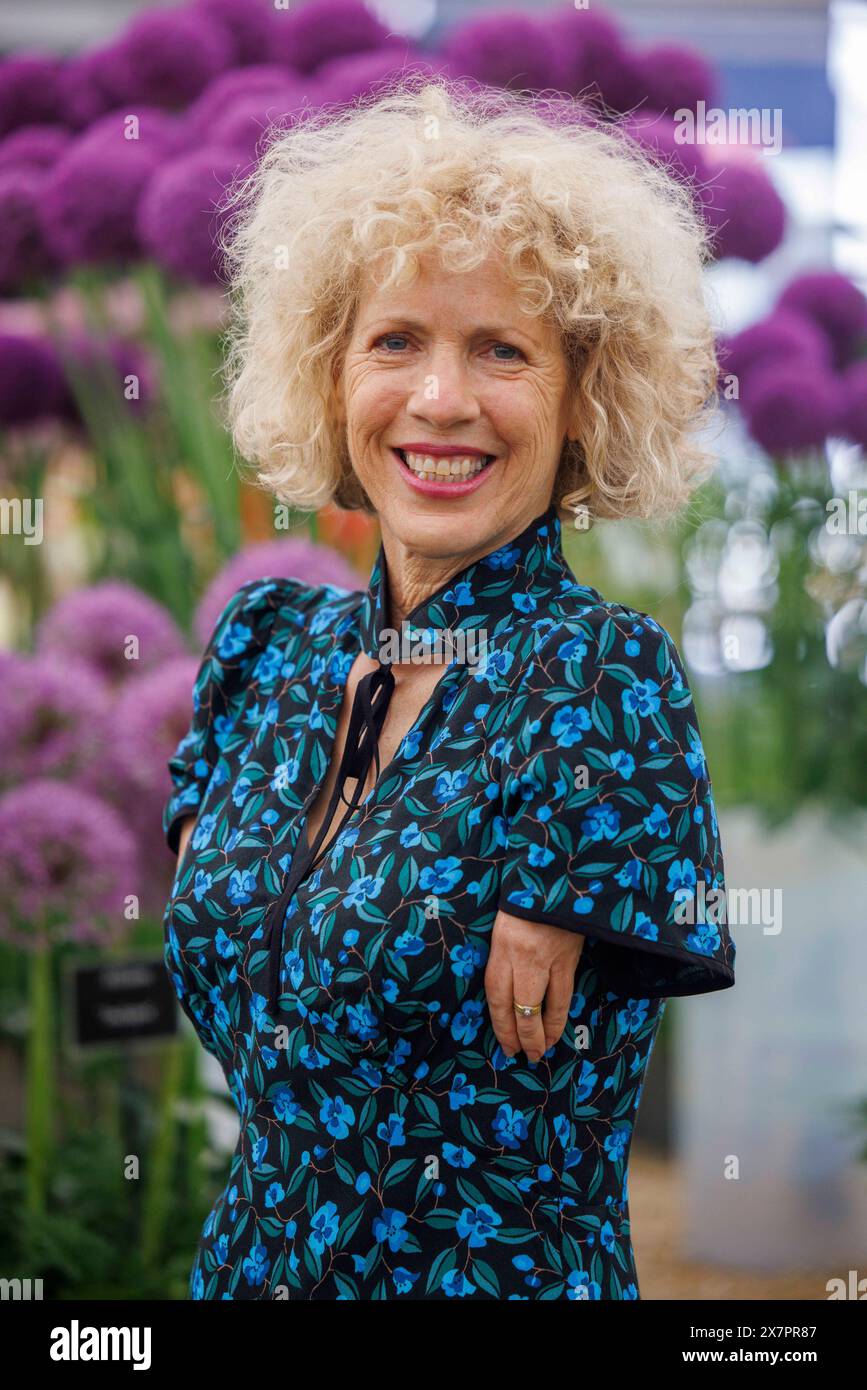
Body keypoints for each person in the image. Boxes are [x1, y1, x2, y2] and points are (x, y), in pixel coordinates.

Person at [163, 79, 735, 1301]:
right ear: (331, 374)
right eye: (396, 340)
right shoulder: (264, 647)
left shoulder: (603, 680)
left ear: (586, 396)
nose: (441, 400)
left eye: (502, 349)